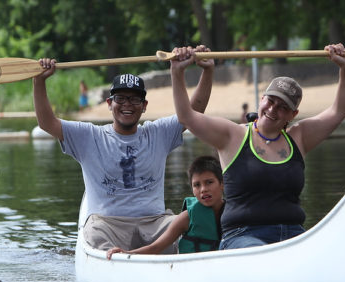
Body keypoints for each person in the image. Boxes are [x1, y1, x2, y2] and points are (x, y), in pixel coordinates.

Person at [170, 43, 345, 250]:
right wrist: (177, 72)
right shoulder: (233, 135)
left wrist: (344, 69)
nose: (273, 109)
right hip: (243, 236)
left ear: (293, 115)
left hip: (293, 233)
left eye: (283, 107)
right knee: (261, 251)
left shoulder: (299, 137)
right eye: (271, 101)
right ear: (262, 99)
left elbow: (340, 111)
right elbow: (187, 117)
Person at [33, 46, 214, 253]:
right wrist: (39, 82)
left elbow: (193, 112)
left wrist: (207, 71)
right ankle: (115, 261)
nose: (127, 104)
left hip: (155, 223)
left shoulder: (158, 133)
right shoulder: (90, 136)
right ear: (110, 103)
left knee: (193, 219)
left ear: (144, 105)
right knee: (95, 232)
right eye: (121, 98)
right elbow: (47, 122)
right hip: (108, 224)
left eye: (134, 99)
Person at [106, 155, 225, 258]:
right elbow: (156, 247)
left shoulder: (232, 212)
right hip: (191, 270)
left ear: (222, 184)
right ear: (192, 190)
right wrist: (126, 253)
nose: (203, 189)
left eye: (209, 182)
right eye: (197, 185)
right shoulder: (187, 217)